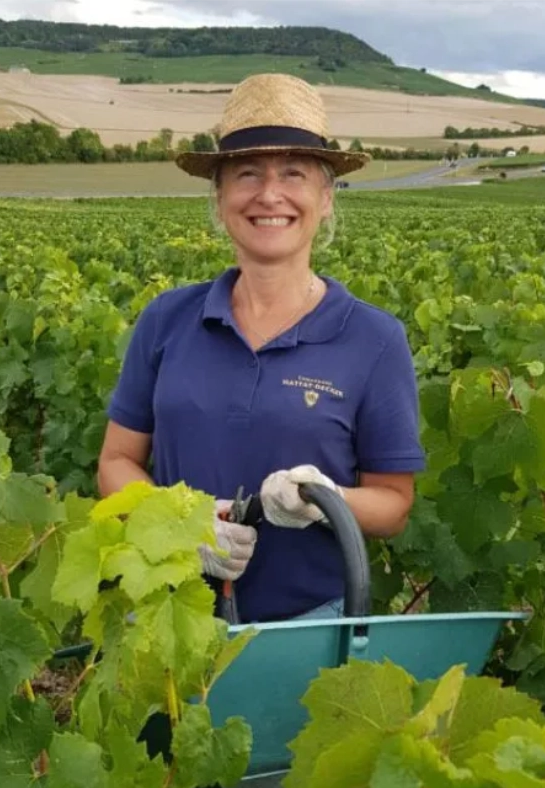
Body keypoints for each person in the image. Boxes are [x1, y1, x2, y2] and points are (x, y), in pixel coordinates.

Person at [97, 72, 425, 626]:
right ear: (220, 197)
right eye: (247, 174)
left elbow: (393, 504)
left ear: (325, 198)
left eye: (293, 174)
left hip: (313, 628)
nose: (269, 195)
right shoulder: (166, 320)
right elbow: (116, 462)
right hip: (167, 619)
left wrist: (322, 498)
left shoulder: (374, 339)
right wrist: (183, 524)